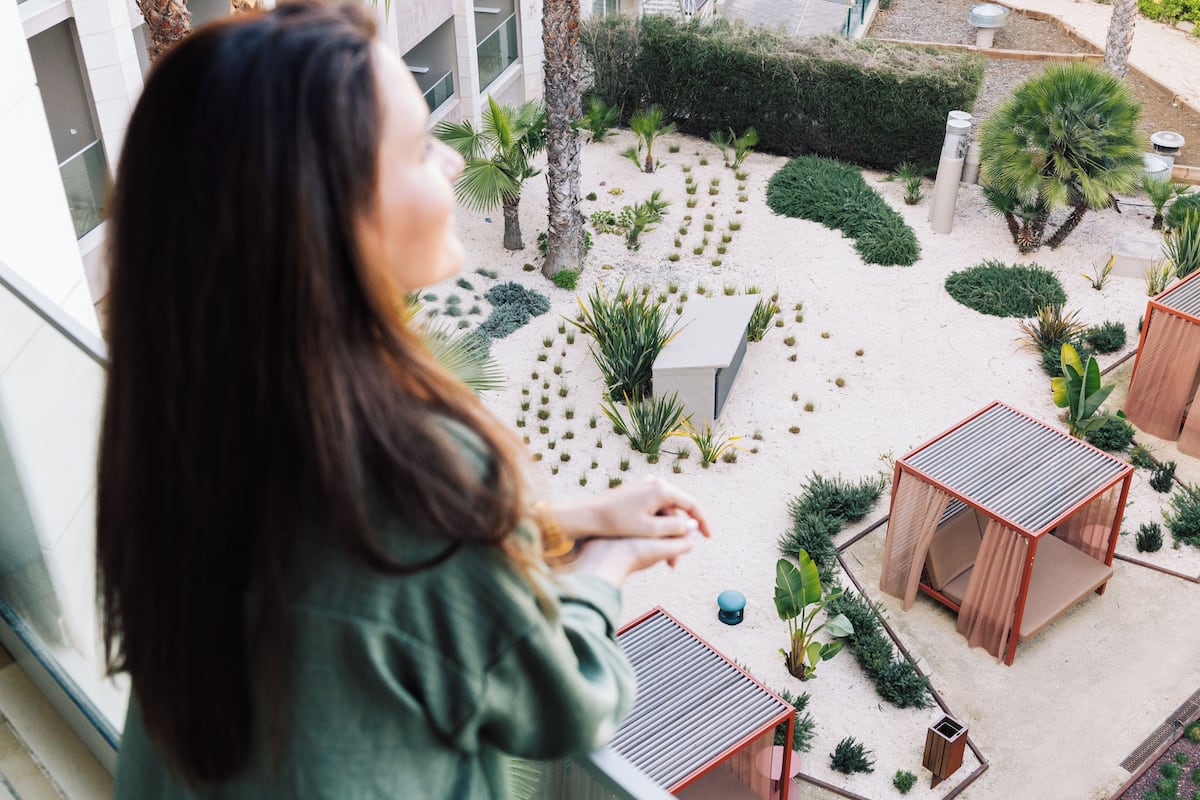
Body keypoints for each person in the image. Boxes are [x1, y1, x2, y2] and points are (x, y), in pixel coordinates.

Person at [95, 2, 709, 797]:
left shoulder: (196, 432)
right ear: (325, 217)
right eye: (421, 146)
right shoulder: (401, 465)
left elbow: (365, 569)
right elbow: (569, 700)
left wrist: (584, 516)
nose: (453, 163)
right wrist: (609, 562)